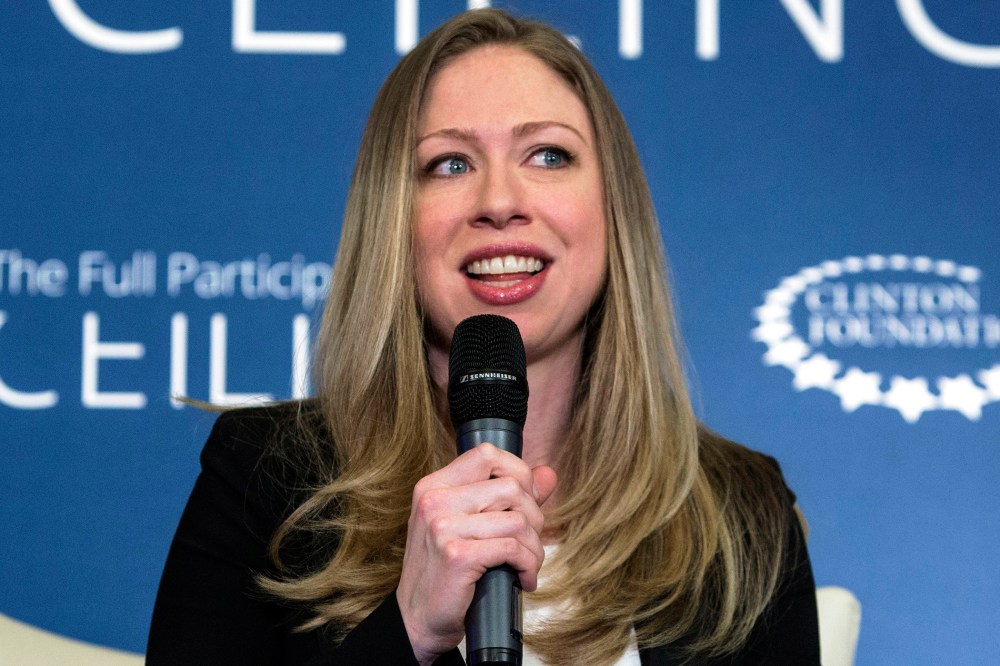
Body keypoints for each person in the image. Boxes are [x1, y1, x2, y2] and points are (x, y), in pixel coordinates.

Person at [148, 8, 820, 665]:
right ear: (394, 222)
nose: (500, 200)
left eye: (548, 155)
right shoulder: (264, 483)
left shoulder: (745, 515)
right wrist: (407, 627)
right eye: (449, 164)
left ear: (613, 208)